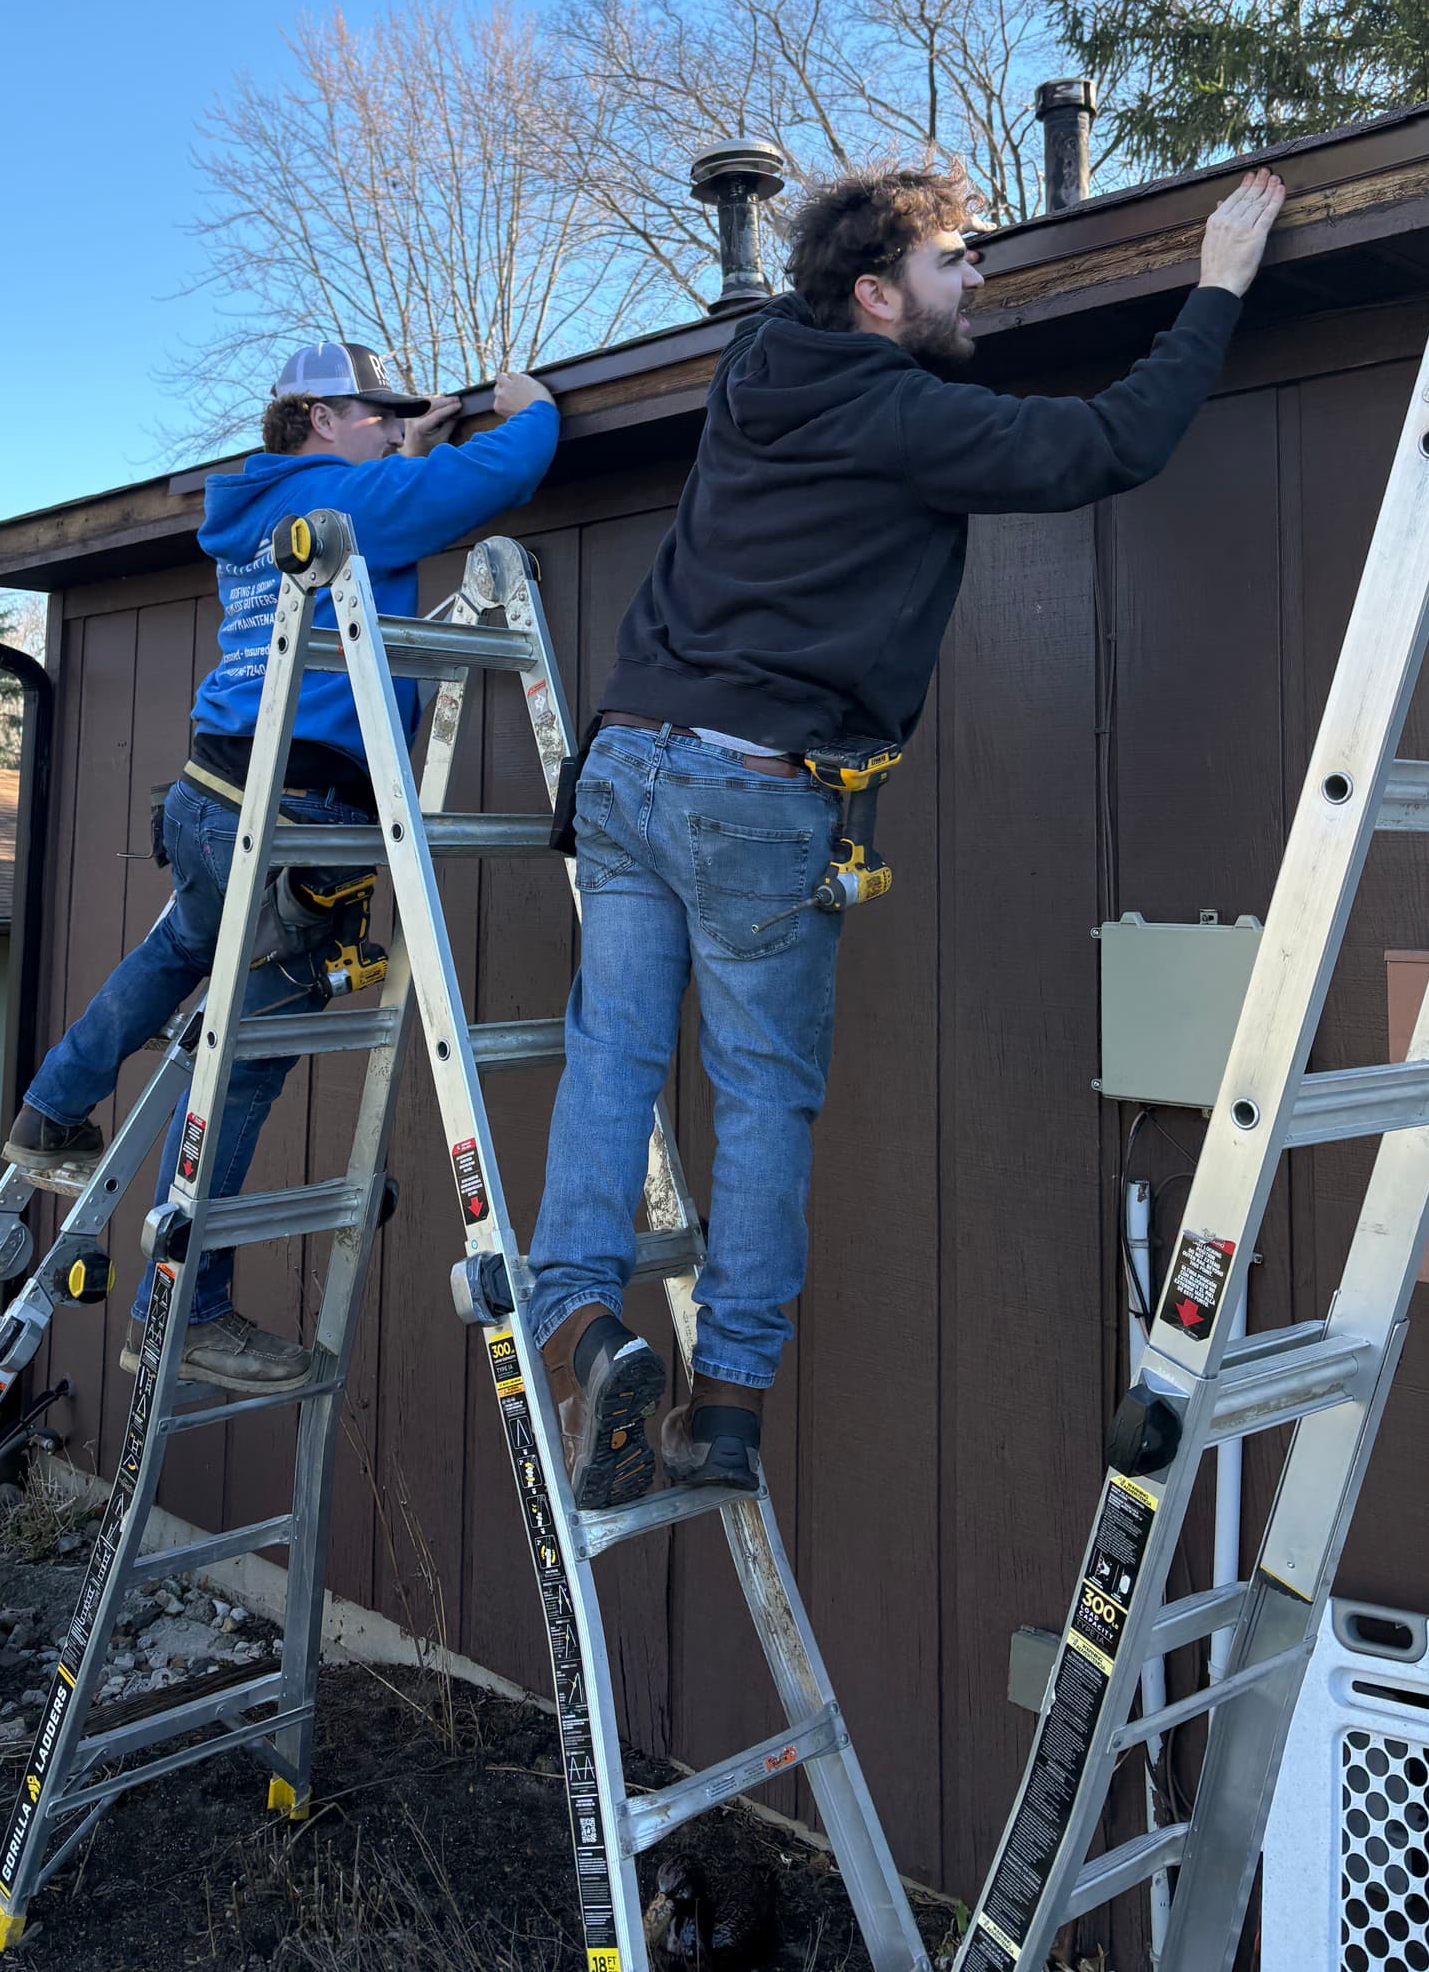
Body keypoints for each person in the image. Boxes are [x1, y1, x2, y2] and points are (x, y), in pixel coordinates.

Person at [528, 161, 1287, 1508]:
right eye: (954, 262)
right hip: (755, 787)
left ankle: (580, 1327)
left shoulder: (761, 360)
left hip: (626, 761)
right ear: (878, 296)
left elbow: (783, 304)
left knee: (611, 1058)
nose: (979, 277)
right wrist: (1216, 287)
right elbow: (1108, 444)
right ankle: (731, 1407)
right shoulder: (904, 411)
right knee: (764, 1098)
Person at [7, 340, 559, 1390]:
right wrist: (529, 414)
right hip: (294, 812)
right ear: (319, 418)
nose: (394, 428)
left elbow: (385, 492)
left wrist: (403, 447)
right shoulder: (353, 503)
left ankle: (53, 1108)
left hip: (214, 794)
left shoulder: (270, 508)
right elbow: (498, 477)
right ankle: (188, 1309)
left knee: (178, 949)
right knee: (247, 1057)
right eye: (375, 414)